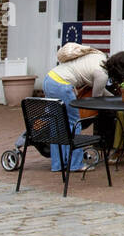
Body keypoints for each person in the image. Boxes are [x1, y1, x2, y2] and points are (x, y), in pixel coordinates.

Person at [43, 43, 112, 173]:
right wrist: (115, 99)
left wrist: (114, 97)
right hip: (62, 85)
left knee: (56, 124)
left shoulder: (98, 55)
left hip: (49, 79)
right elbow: (97, 96)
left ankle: (57, 164)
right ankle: (75, 164)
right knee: (74, 123)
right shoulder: (102, 74)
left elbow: (98, 87)